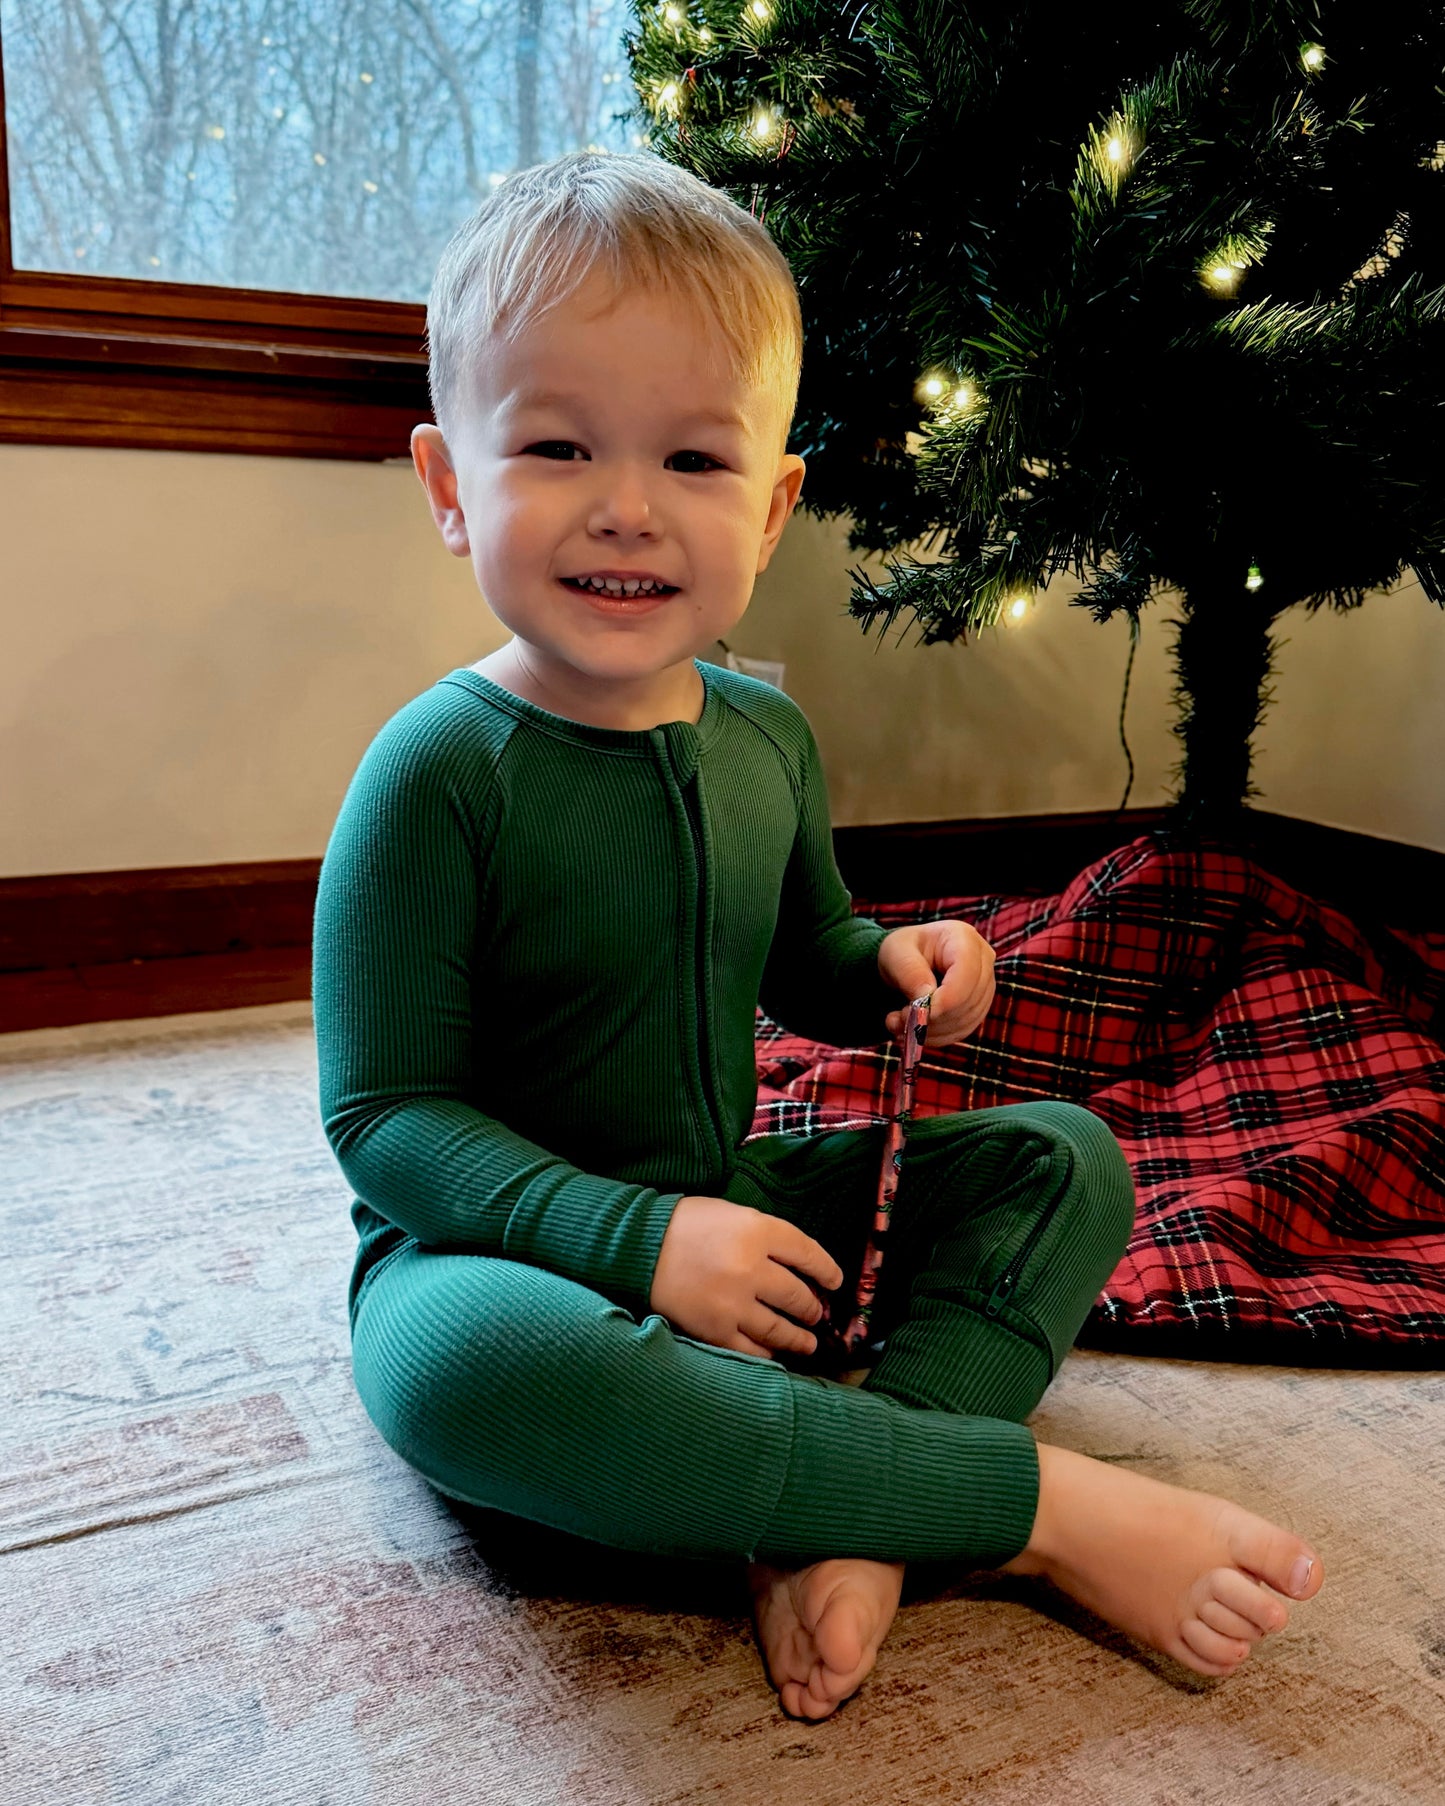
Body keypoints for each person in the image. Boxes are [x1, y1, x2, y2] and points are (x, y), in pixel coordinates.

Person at [312, 150, 1323, 1722]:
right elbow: (383, 1120)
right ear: (454, 487)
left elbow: (811, 956)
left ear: (774, 504)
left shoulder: (763, 738)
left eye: (695, 461)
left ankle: (850, 1513)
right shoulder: (434, 773)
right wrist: (637, 1242)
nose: (628, 507)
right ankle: (1021, 1504)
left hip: (736, 1197)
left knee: (1069, 1160)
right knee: (458, 1373)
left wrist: (900, 965)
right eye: (560, 445)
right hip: (489, 1256)